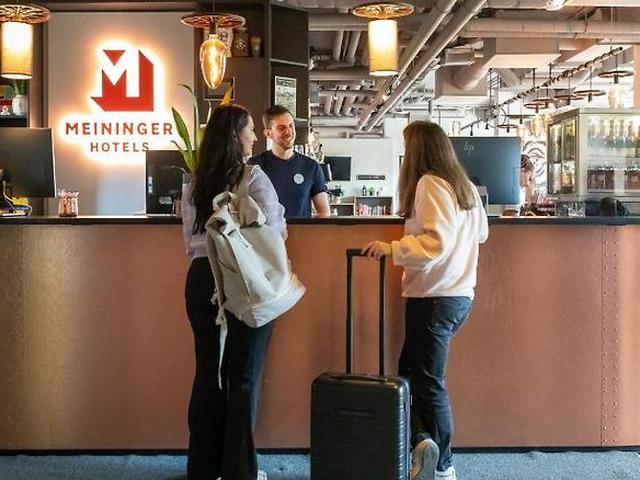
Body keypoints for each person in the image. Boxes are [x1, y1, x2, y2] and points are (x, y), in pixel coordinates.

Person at [362, 121, 488, 480]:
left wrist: (392, 248)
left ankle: (443, 465)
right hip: (458, 297)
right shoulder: (464, 186)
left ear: (417, 150)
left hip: (434, 297)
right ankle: (422, 444)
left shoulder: (430, 184)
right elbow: (481, 233)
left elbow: (437, 242)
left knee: (429, 384)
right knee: (411, 376)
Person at [182, 104, 286, 480]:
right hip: (244, 280)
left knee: (208, 372)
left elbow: (189, 239)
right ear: (234, 136)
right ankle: (239, 471)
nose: (255, 137)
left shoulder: (195, 183)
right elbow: (275, 232)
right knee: (243, 376)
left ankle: (203, 467)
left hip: (201, 279)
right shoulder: (254, 177)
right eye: (249, 130)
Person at [250, 105, 330, 218]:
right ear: (268, 133)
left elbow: (324, 213)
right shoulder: (255, 166)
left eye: (291, 126)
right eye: (281, 128)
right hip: (266, 230)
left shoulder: (311, 167)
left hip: (300, 230)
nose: (289, 131)